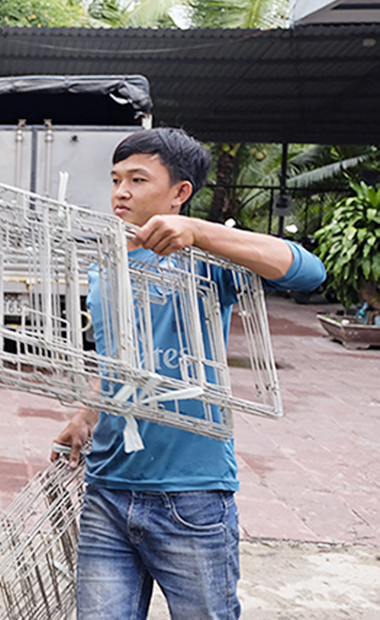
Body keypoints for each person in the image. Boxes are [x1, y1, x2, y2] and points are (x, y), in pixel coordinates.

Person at [51, 128, 325, 620]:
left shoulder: (207, 260)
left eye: (138, 179)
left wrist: (199, 233)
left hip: (191, 497)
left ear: (181, 192)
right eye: (116, 179)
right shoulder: (104, 265)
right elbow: (119, 356)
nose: (121, 192)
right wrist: (87, 411)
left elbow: (309, 271)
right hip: (108, 491)